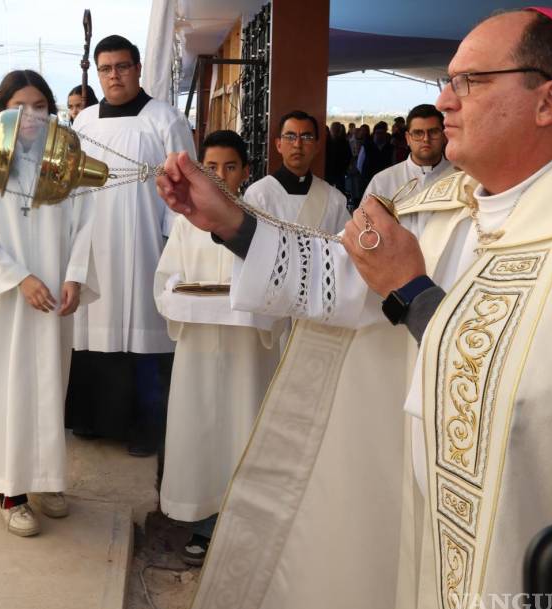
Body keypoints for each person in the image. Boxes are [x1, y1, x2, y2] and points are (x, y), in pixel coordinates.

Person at [157, 7, 552, 609]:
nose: (443, 100)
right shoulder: (456, 203)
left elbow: (541, 399)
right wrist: (228, 219)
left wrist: (413, 292)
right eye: (447, 81)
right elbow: (347, 273)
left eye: (469, 82)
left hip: (525, 565)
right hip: (434, 528)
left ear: (550, 99)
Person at [0, 70, 93, 537]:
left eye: (40, 106)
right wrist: (20, 278)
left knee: (48, 388)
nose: (31, 115)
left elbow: (85, 224)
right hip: (6, 304)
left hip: (52, 299)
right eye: (20, 105)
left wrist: (75, 274)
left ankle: (46, 480)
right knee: (6, 391)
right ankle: (10, 490)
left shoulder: (64, 165)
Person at [63, 34, 196, 459]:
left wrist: (171, 242)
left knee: (143, 331)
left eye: (122, 66)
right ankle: (92, 418)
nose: (114, 75)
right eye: (105, 68)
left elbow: (185, 184)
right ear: (97, 73)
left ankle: (147, 426)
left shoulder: (165, 118)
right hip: (92, 239)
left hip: (145, 241)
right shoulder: (83, 122)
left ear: (138, 68)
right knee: (92, 326)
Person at [154, 130, 283, 566]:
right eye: (211, 167)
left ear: (247, 172)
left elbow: (278, 281)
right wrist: (180, 297)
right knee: (203, 429)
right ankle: (204, 521)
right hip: (201, 350)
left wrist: (256, 307)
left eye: (231, 167)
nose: (221, 175)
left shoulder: (260, 219)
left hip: (249, 350)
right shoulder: (185, 220)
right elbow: (166, 279)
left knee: (243, 429)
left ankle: (246, 526)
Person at [243, 110, 350, 235]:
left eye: (306, 137)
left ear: (317, 146)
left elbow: (346, 248)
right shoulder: (258, 195)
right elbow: (250, 249)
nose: (298, 144)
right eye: (290, 137)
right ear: (278, 145)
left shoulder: (334, 199)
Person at [365, 103, 452, 201]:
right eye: (418, 133)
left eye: (433, 132)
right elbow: (363, 216)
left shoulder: (462, 178)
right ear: (407, 138)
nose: (426, 139)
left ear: (445, 136)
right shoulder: (382, 182)